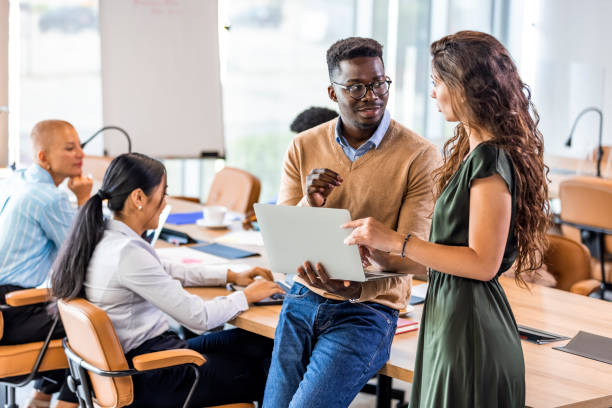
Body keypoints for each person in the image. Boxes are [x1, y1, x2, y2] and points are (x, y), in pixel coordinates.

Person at [342, 31, 549, 407]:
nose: (433, 93)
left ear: (465, 86)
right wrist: (386, 256)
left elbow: (482, 263)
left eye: (437, 83)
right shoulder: (472, 156)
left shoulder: (489, 160)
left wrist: (396, 240)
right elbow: (451, 258)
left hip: (470, 329)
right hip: (451, 319)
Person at [263, 37, 441, 407]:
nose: (371, 95)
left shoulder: (419, 155)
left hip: (367, 311)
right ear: (333, 91)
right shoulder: (304, 145)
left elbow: (415, 255)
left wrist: (355, 281)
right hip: (301, 298)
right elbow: (283, 236)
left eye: (379, 84)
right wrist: (308, 202)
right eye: (356, 87)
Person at [50, 152, 283, 407]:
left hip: (145, 360)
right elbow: (199, 318)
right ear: (138, 197)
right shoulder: (126, 253)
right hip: (152, 376)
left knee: (258, 342)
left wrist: (230, 275)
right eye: (163, 194)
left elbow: (166, 268)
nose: (164, 204)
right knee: (270, 367)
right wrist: (246, 296)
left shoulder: (104, 236)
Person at [0, 119, 92, 408]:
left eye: (79, 145)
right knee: (93, 322)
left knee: (69, 307)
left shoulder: (21, 184)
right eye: (69, 148)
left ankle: (40, 399)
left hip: (7, 308)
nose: (80, 154)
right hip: (14, 311)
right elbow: (83, 254)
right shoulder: (49, 199)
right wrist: (84, 200)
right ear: (43, 157)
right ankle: (65, 403)